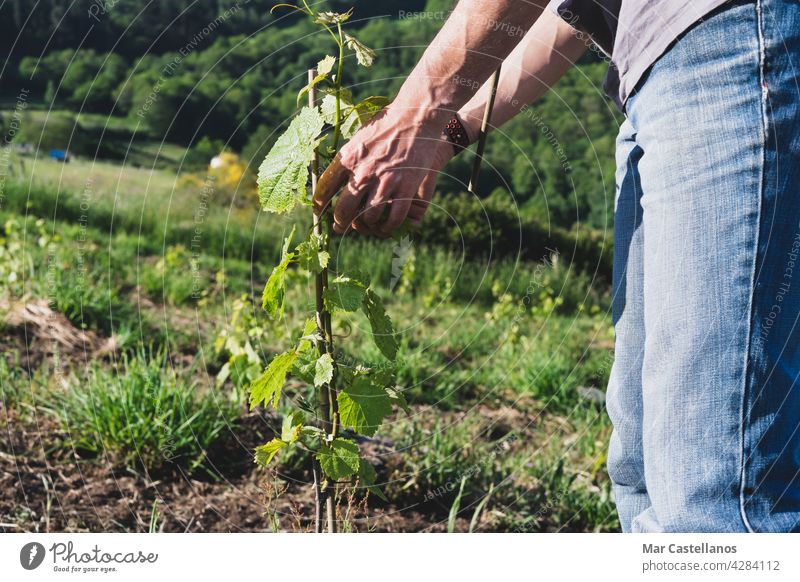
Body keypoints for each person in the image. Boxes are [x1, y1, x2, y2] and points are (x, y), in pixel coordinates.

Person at [314, 0, 800, 533]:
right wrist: (447, 133)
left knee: (714, 482)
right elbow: (565, 19)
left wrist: (415, 114)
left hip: (726, 45)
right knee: (641, 467)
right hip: (653, 80)